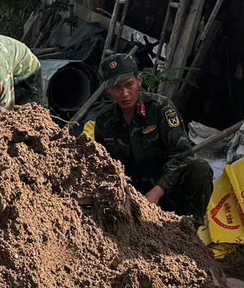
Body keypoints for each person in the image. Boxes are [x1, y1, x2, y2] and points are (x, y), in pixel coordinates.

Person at [82, 54, 214, 213]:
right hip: (130, 194)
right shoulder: (104, 121)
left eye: (129, 84)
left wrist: (157, 192)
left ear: (139, 81)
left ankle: (189, 230)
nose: (124, 93)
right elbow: (105, 166)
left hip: (165, 188)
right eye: (117, 88)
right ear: (109, 90)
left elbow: (182, 154)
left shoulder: (160, 108)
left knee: (199, 168)